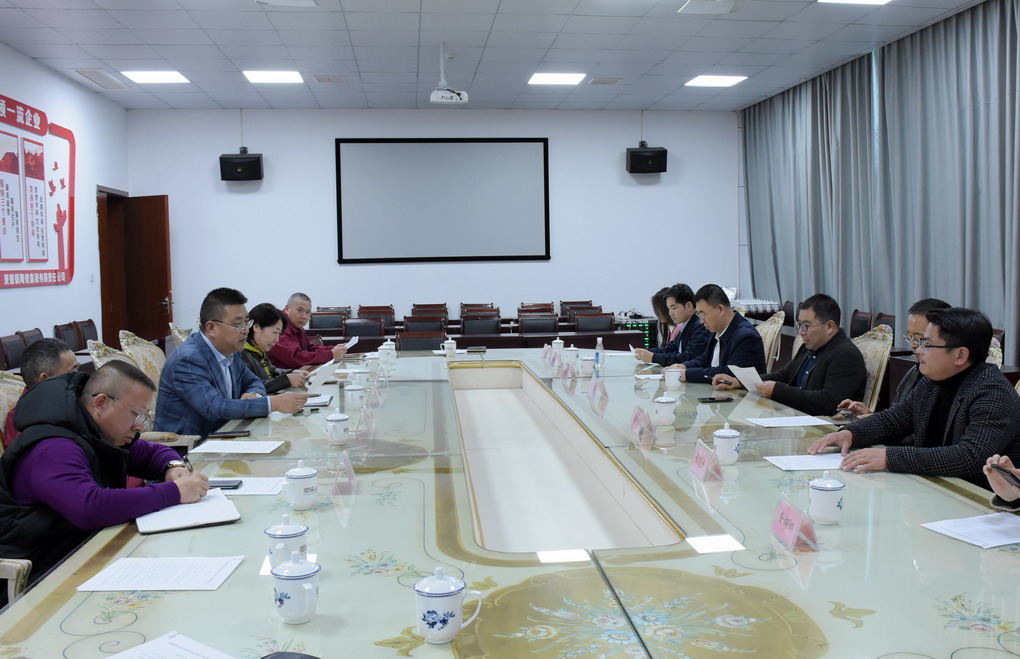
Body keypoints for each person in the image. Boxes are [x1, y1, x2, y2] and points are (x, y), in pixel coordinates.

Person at [0, 362, 210, 598]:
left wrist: (173, 468)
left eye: (145, 416)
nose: (140, 425)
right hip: (40, 578)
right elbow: (90, 506)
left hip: (87, 553)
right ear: (100, 403)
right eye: (136, 414)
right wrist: (174, 492)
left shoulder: (94, 430)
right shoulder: (53, 446)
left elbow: (152, 453)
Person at [808, 307, 1020, 488]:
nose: (918, 350)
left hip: (978, 500)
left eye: (927, 344)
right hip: (935, 485)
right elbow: (894, 419)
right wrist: (851, 433)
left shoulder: (992, 393)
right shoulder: (934, 380)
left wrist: (890, 458)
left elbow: (969, 457)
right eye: (918, 342)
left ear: (960, 355)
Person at [155, 287, 307, 437]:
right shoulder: (188, 359)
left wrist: (253, 394)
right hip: (191, 446)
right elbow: (215, 408)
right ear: (211, 328)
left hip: (228, 433)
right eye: (237, 324)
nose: (245, 330)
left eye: (246, 322)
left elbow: (253, 381)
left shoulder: (230, 350)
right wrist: (273, 404)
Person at [712, 294, 867, 416]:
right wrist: (740, 382)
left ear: (829, 326)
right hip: (793, 415)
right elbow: (783, 375)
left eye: (806, 326)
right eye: (799, 325)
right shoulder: (810, 346)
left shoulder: (846, 355)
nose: (801, 332)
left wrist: (778, 391)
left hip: (821, 426)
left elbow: (828, 403)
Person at [836, 298, 951, 418]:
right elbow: (897, 419)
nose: (913, 345)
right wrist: (870, 416)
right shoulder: (914, 371)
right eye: (910, 337)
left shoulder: (946, 384)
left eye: (920, 339)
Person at [664, 284, 765, 383]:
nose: (701, 321)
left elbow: (729, 373)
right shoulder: (716, 329)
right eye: (699, 314)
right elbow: (705, 359)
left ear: (720, 309)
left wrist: (686, 374)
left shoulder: (745, 336)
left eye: (703, 314)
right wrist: (683, 366)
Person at [3, 338, 78, 447]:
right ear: (44, 379)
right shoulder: (21, 422)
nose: (78, 377)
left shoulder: (70, 399)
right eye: (72, 373)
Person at [634, 283, 711, 366]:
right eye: (669, 309)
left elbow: (689, 357)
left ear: (688, 306)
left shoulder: (699, 326)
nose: (670, 313)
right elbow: (671, 349)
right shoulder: (685, 324)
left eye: (674, 308)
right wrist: (646, 352)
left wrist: (654, 357)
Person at [241, 303, 310, 394]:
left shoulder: (258, 348)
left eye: (279, 334)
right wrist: (287, 380)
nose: (277, 339)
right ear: (256, 327)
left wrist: (293, 373)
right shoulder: (241, 354)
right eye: (275, 332)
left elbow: (272, 370)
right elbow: (252, 387)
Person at [269, 292, 347, 369]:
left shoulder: (297, 325)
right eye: (299, 310)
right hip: (280, 375)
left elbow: (309, 347)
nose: (304, 316)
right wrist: (330, 355)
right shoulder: (278, 326)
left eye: (307, 312)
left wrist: (332, 349)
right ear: (287, 309)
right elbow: (295, 357)